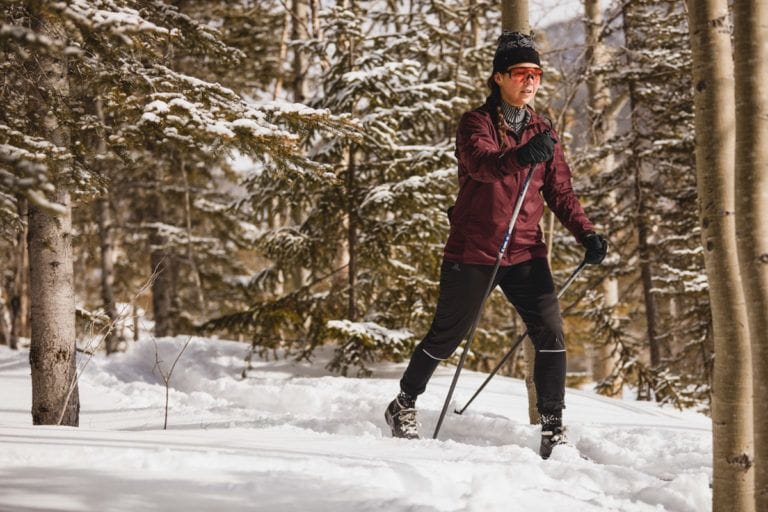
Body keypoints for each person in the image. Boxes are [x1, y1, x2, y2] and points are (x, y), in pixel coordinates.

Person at [384, 32, 607, 459]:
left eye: (536, 74)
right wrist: (524, 156)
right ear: (499, 77)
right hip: (474, 250)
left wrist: (587, 233)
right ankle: (403, 404)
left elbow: (560, 192)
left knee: (551, 331)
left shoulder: (544, 130)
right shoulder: (476, 123)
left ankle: (553, 428)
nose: (530, 81)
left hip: (525, 251)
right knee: (447, 336)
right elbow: (482, 166)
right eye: (521, 73)